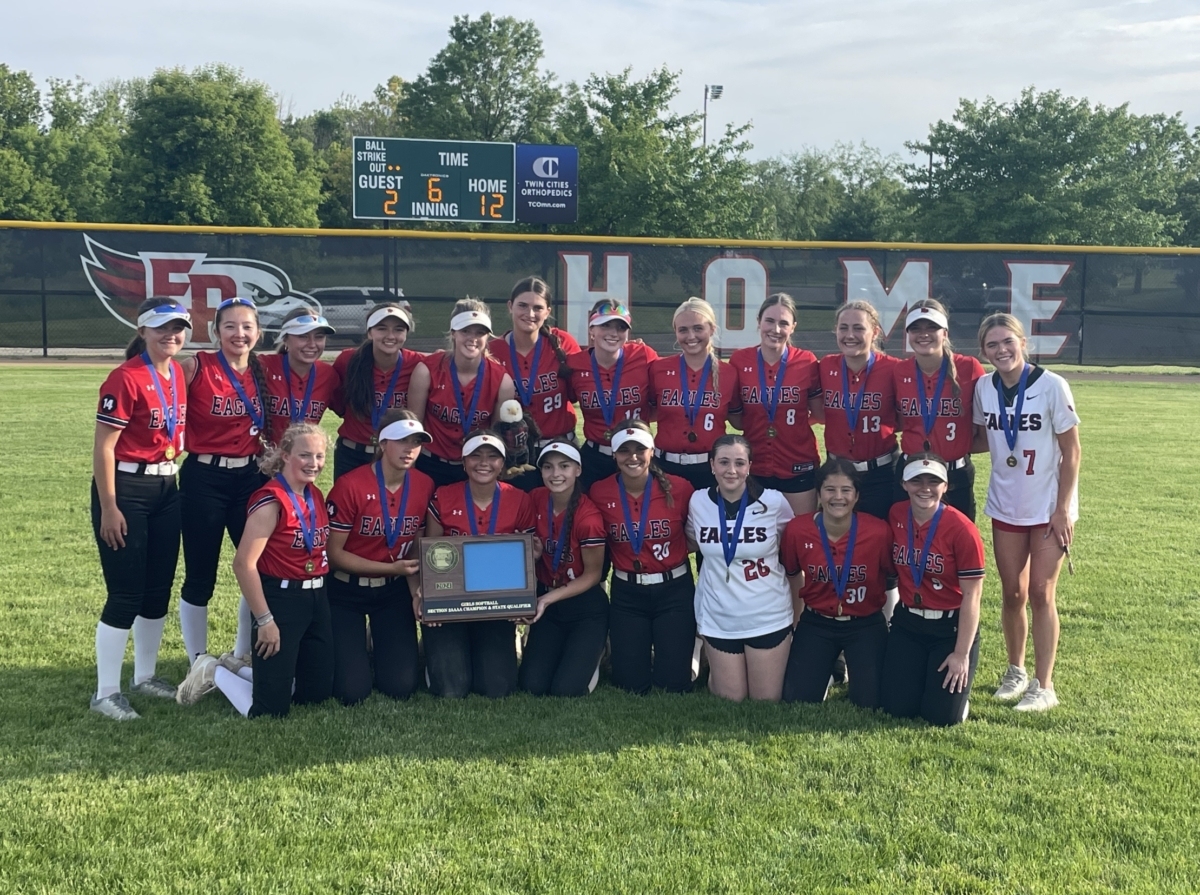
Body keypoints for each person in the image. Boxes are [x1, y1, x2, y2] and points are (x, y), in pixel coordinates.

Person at [89, 298, 191, 720]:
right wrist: (110, 507)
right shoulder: (125, 377)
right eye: (162, 327)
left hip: (167, 484)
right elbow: (103, 449)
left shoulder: (177, 373)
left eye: (179, 328)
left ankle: (144, 675)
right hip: (126, 488)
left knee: (157, 588)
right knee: (126, 592)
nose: (172, 335)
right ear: (143, 330)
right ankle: (105, 692)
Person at [973, 313, 1080, 711]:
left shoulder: (1052, 385)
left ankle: (1044, 685)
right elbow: (984, 439)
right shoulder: (984, 387)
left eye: (1007, 342)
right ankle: (1015, 670)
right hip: (1006, 502)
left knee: (1040, 592)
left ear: (1023, 342)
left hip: (1048, 506)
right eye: (992, 345)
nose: (1001, 350)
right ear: (983, 351)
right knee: (1012, 592)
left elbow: (1072, 451)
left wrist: (1063, 509)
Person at [174, 297, 273, 705]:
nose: (239, 334)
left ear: (258, 332)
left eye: (247, 326)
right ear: (215, 332)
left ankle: (238, 653)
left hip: (249, 477)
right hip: (204, 476)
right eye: (230, 326)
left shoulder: (262, 372)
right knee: (201, 575)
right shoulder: (196, 366)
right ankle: (197, 659)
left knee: (259, 566)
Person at [213, 423, 335, 718]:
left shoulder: (314, 495)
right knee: (269, 710)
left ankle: (248, 671)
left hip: (316, 597)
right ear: (285, 455)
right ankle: (213, 672)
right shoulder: (270, 501)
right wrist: (265, 619)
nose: (314, 463)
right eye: (305, 455)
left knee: (315, 694)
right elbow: (243, 564)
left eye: (319, 456)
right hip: (281, 599)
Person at [325, 410, 436, 704]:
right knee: (351, 691)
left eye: (416, 441)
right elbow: (333, 555)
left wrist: (415, 593)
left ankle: (377, 641)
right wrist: (391, 568)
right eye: (401, 440)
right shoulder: (350, 485)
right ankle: (355, 646)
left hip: (392, 591)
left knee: (400, 687)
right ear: (383, 443)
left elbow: (415, 546)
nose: (409, 449)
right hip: (345, 589)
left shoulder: (424, 484)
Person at [422, 430, 537, 698]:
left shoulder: (519, 499)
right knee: (451, 690)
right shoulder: (444, 496)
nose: (484, 463)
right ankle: (437, 654)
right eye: (476, 456)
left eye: (493, 457)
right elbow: (432, 553)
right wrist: (429, 598)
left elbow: (529, 555)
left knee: (497, 688)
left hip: (495, 604)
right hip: (450, 603)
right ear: (463, 463)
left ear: (503, 464)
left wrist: (535, 553)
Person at [880, 454, 986, 726]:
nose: (924, 488)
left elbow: (973, 596)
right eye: (916, 480)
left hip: (948, 629)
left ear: (946, 486)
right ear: (904, 483)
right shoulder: (896, 514)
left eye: (933, 481)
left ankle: (958, 699)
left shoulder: (962, 529)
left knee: (941, 717)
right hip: (908, 622)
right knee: (896, 709)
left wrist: (961, 654)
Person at [590, 421, 696, 694]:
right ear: (614, 454)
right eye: (624, 450)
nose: (633, 457)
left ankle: (692, 651)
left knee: (673, 684)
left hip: (674, 590)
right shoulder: (600, 492)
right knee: (630, 684)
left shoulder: (680, 488)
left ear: (652, 451)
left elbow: (695, 536)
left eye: (640, 449)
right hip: (628, 592)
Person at [686, 435, 794, 702]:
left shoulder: (774, 502)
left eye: (739, 463)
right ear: (712, 465)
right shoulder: (698, 502)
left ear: (749, 466)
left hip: (767, 613)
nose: (731, 470)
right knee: (731, 697)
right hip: (718, 614)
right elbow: (690, 541)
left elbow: (792, 553)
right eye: (723, 462)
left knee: (765, 699)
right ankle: (711, 661)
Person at [781, 458, 895, 709]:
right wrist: (796, 624)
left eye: (846, 490)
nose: (838, 497)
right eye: (830, 489)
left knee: (870, 702)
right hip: (817, 621)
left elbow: (892, 575)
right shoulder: (797, 530)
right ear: (819, 493)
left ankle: (851, 667)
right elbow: (792, 574)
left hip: (865, 622)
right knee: (798, 699)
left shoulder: (878, 531)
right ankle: (832, 669)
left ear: (856, 496)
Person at [518, 441, 609, 696]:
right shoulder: (535, 499)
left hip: (584, 606)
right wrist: (534, 557)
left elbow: (592, 575)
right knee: (532, 685)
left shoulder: (588, 517)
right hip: (550, 606)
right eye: (548, 467)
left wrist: (545, 599)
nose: (555, 474)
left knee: (566, 689)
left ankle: (597, 650)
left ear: (578, 470)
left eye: (564, 466)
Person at [728, 293, 822, 516]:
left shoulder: (807, 361)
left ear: (793, 327)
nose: (776, 329)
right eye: (769, 321)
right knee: (756, 537)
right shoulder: (740, 361)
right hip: (754, 464)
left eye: (783, 323)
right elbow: (736, 417)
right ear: (759, 321)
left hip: (797, 462)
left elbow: (819, 413)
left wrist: (791, 421)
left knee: (798, 533)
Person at [407, 299, 517, 488]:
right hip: (430, 463)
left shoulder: (502, 381)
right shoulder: (427, 370)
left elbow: (495, 438)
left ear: (488, 337)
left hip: (474, 468)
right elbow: (413, 430)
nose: (472, 338)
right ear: (453, 333)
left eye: (480, 332)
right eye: (465, 330)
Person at [892, 299, 984, 520]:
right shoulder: (898, 371)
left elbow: (986, 430)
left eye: (931, 327)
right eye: (916, 328)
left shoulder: (969, 367)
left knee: (958, 540)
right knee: (909, 541)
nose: (924, 334)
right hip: (911, 471)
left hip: (955, 474)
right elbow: (898, 420)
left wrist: (958, 447)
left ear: (945, 332)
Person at [488, 277, 581, 491]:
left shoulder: (563, 343)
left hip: (560, 448)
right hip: (516, 453)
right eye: (523, 305)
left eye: (537, 308)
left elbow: (586, 377)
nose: (530, 314)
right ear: (510, 306)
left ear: (547, 312)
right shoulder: (493, 351)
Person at [814, 301, 902, 521]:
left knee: (880, 539)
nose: (850, 335)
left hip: (881, 472)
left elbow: (906, 416)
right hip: (837, 471)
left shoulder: (894, 369)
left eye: (859, 328)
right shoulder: (825, 366)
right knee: (838, 538)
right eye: (843, 328)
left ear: (875, 332)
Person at [567, 300, 659, 491]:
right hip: (595, 458)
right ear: (591, 329)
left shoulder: (643, 356)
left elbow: (661, 400)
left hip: (635, 454)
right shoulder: (575, 365)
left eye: (620, 327)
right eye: (605, 325)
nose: (613, 333)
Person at [650, 298, 738, 491]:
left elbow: (738, 420)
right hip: (665, 466)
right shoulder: (658, 368)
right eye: (683, 330)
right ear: (675, 332)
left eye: (698, 328)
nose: (691, 336)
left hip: (711, 469)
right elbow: (648, 412)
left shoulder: (729, 373)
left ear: (712, 329)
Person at [330, 301, 424, 479]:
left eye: (398, 329)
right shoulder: (348, 361)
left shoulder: (418, 364)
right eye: (381, 328)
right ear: (369, 332)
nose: (390, 335)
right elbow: (338, 403)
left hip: (394, 454)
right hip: (352, 454)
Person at [260, 307, 341, 434]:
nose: (312, 344)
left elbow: (347, 411)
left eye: (319, 337)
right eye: (303, 337)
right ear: (285, 338)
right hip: (265, 452)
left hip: (304, 453)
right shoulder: (265, 366)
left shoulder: (328, 375)